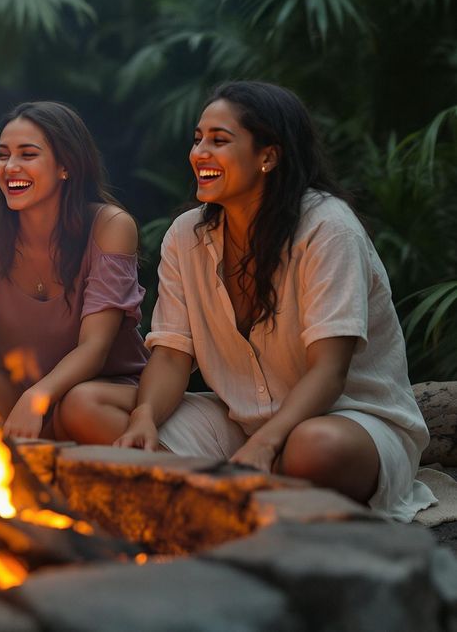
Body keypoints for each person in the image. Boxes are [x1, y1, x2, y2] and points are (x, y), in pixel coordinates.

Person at [61, 81, 436, 521]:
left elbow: (330, 372)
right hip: (239, 423)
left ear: (268, 156)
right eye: (198, 138)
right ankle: (229, 495)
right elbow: (171, 356)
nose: (200, 152)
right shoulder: (186, 236)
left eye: (219, 141)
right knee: (85, 406)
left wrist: (268, 441)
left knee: (314, 448)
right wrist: (144, 415)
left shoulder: (328, 229)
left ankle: (219, 491)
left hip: (348, 421)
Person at [0, 101, 147, 439]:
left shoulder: (111, 226)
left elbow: (95, 346)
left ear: (66, 166)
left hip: (100, 390)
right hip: (18, 390)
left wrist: (38, 397)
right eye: (2, 155)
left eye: (27, 155)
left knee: (78, 405)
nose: (10, 167)